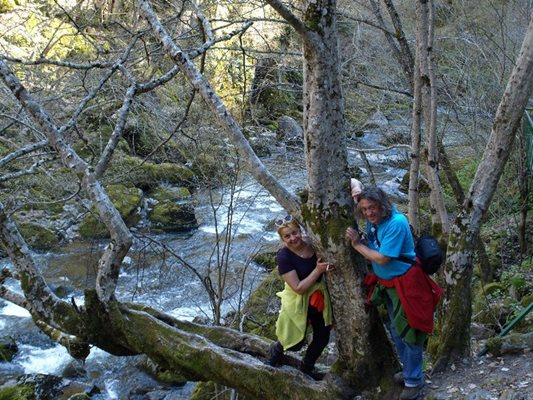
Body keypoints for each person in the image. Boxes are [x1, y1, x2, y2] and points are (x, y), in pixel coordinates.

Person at [345, 183, 442, 400]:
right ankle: (409, 372)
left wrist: (357, 245)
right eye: (365, 209)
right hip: (389, 285)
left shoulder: (396, 223)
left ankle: (414, 382)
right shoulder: (375, 222)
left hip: (407, 285)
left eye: (373, 207)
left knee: (411, 332)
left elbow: (382, 258)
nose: (369, 212)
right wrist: (353, 191)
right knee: (397, 331)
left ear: (383, 205)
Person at [267, 214, 334, 379]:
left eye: (295, 233)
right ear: (282, 239)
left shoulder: (314, 244)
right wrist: (318, 270)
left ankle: (307, 367)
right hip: (297, 297)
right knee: (294, 341)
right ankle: (274, 353)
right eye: (287, 236)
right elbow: (297, 288)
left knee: (322, 338)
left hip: (318, 297)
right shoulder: (284, 256)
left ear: (300, 231)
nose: (292, 238)